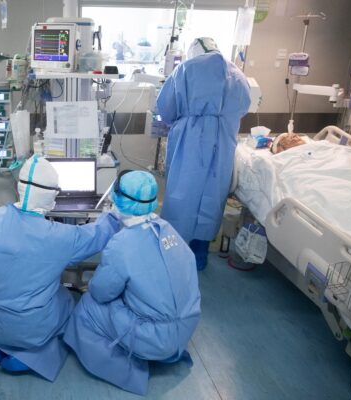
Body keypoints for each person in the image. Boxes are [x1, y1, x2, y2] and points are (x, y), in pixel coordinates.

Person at [0, 156, 120, 382]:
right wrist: (114, 213)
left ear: (18, 187)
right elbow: (97, 236)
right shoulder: (58, 236)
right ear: (53, 196)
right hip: (24, 325)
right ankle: (27, 356)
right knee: (66, 299)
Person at [63, 170, 201, 396]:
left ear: (118, 199)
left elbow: (101, 293)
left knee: (88, 305)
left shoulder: (122, 244)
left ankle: (126, 367)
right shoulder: (168, 229)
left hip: (155, 339)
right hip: (186, 325)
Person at [156, 37, 251, 270]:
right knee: (212, 198)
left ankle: (174, 257)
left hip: (190, 142)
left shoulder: (186, 69)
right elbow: (244, 107)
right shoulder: (238, 76)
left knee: (182, 196)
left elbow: (166, 108)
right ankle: (199, 258)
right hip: (223, 144)